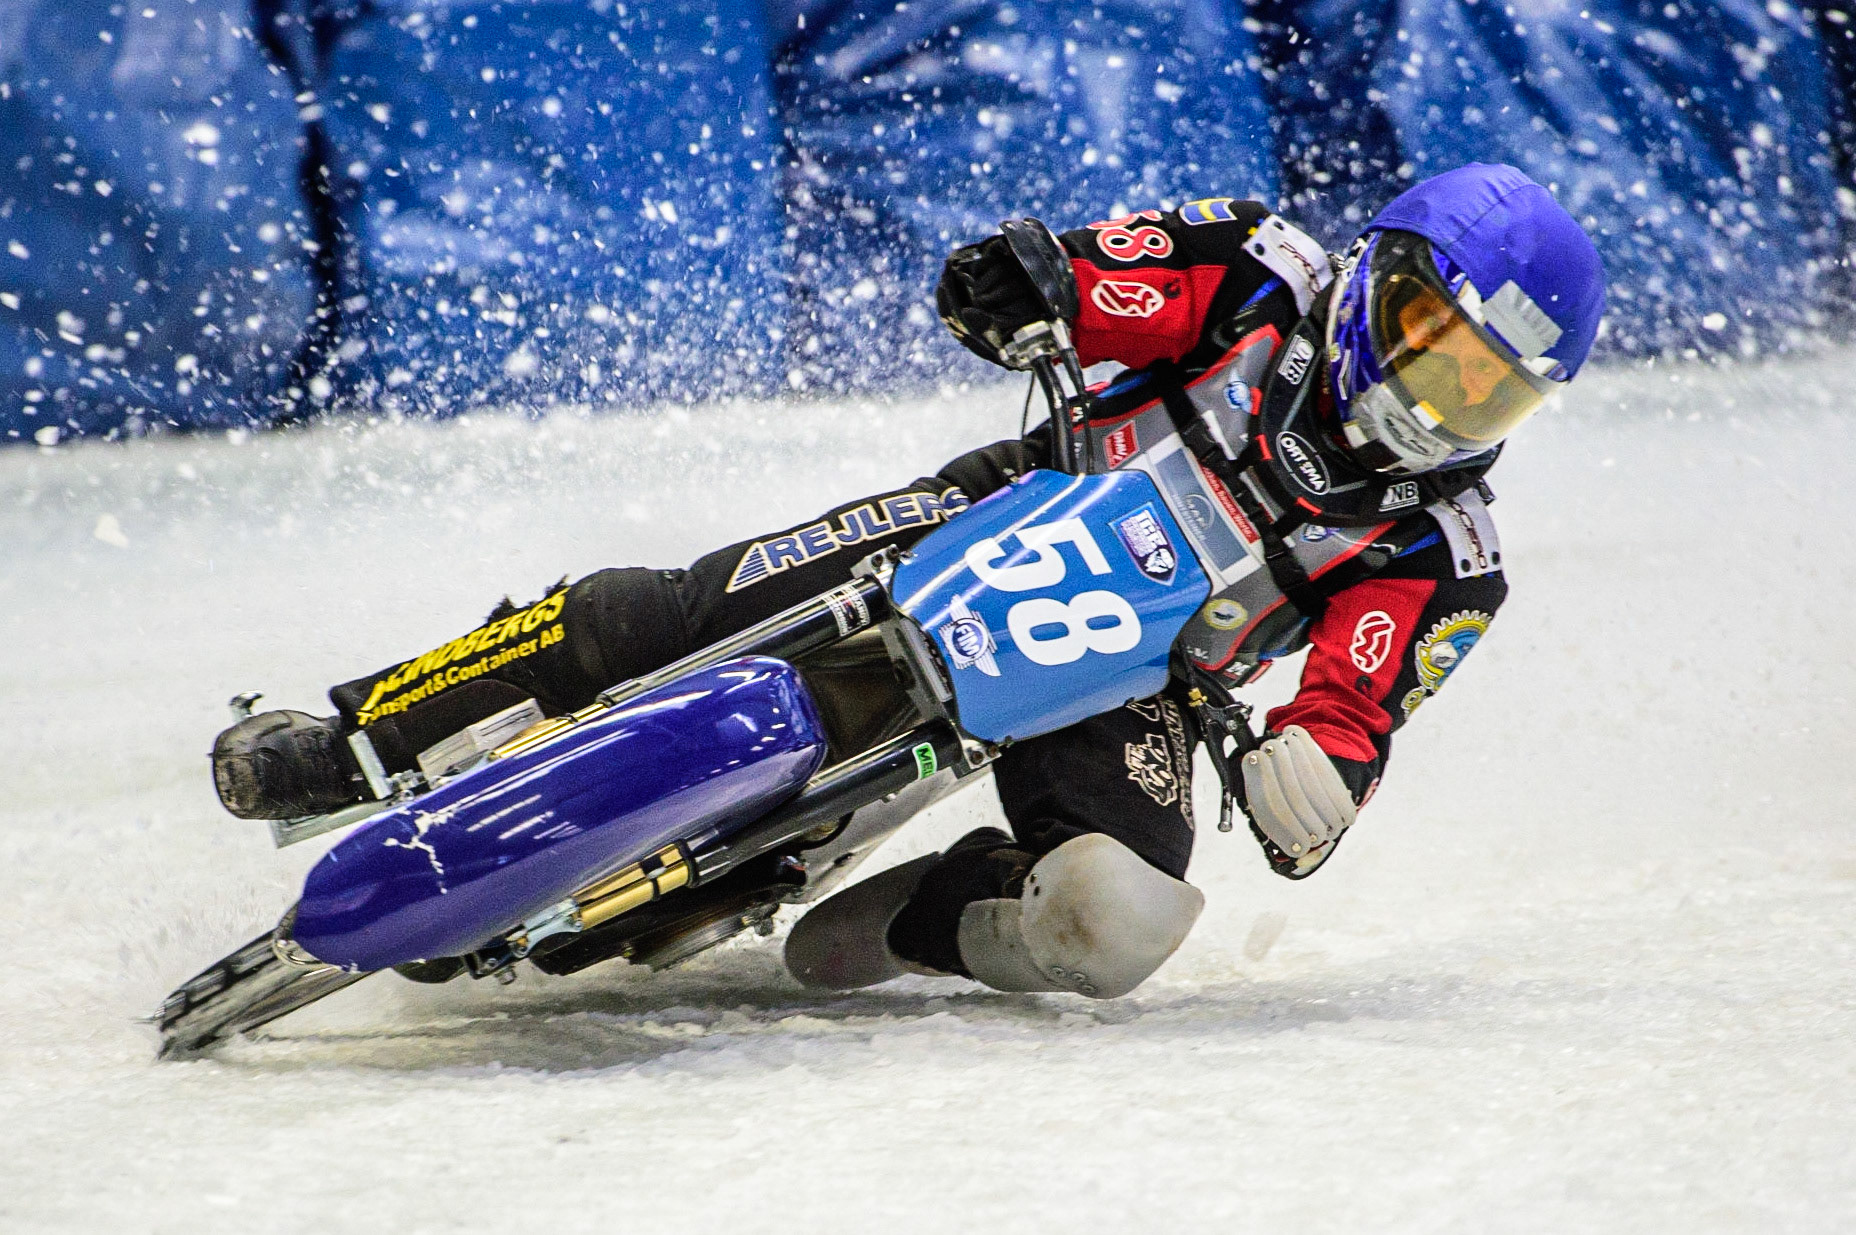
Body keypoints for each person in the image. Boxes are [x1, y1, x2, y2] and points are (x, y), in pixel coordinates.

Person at [212, 162, 1605, 999]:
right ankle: (354, 733)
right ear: (1382, 279)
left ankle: (921, 916)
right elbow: (1093, 278)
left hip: (1140, 684)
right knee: (660, 615)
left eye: (1490, 389)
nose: (1443, 397)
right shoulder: (1258, 267)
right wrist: (1021, 282)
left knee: (1118, 924)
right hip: (994, 512)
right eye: (1436, 342)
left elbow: (1357, 709)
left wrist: (1313, 779)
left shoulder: (1447, 557)